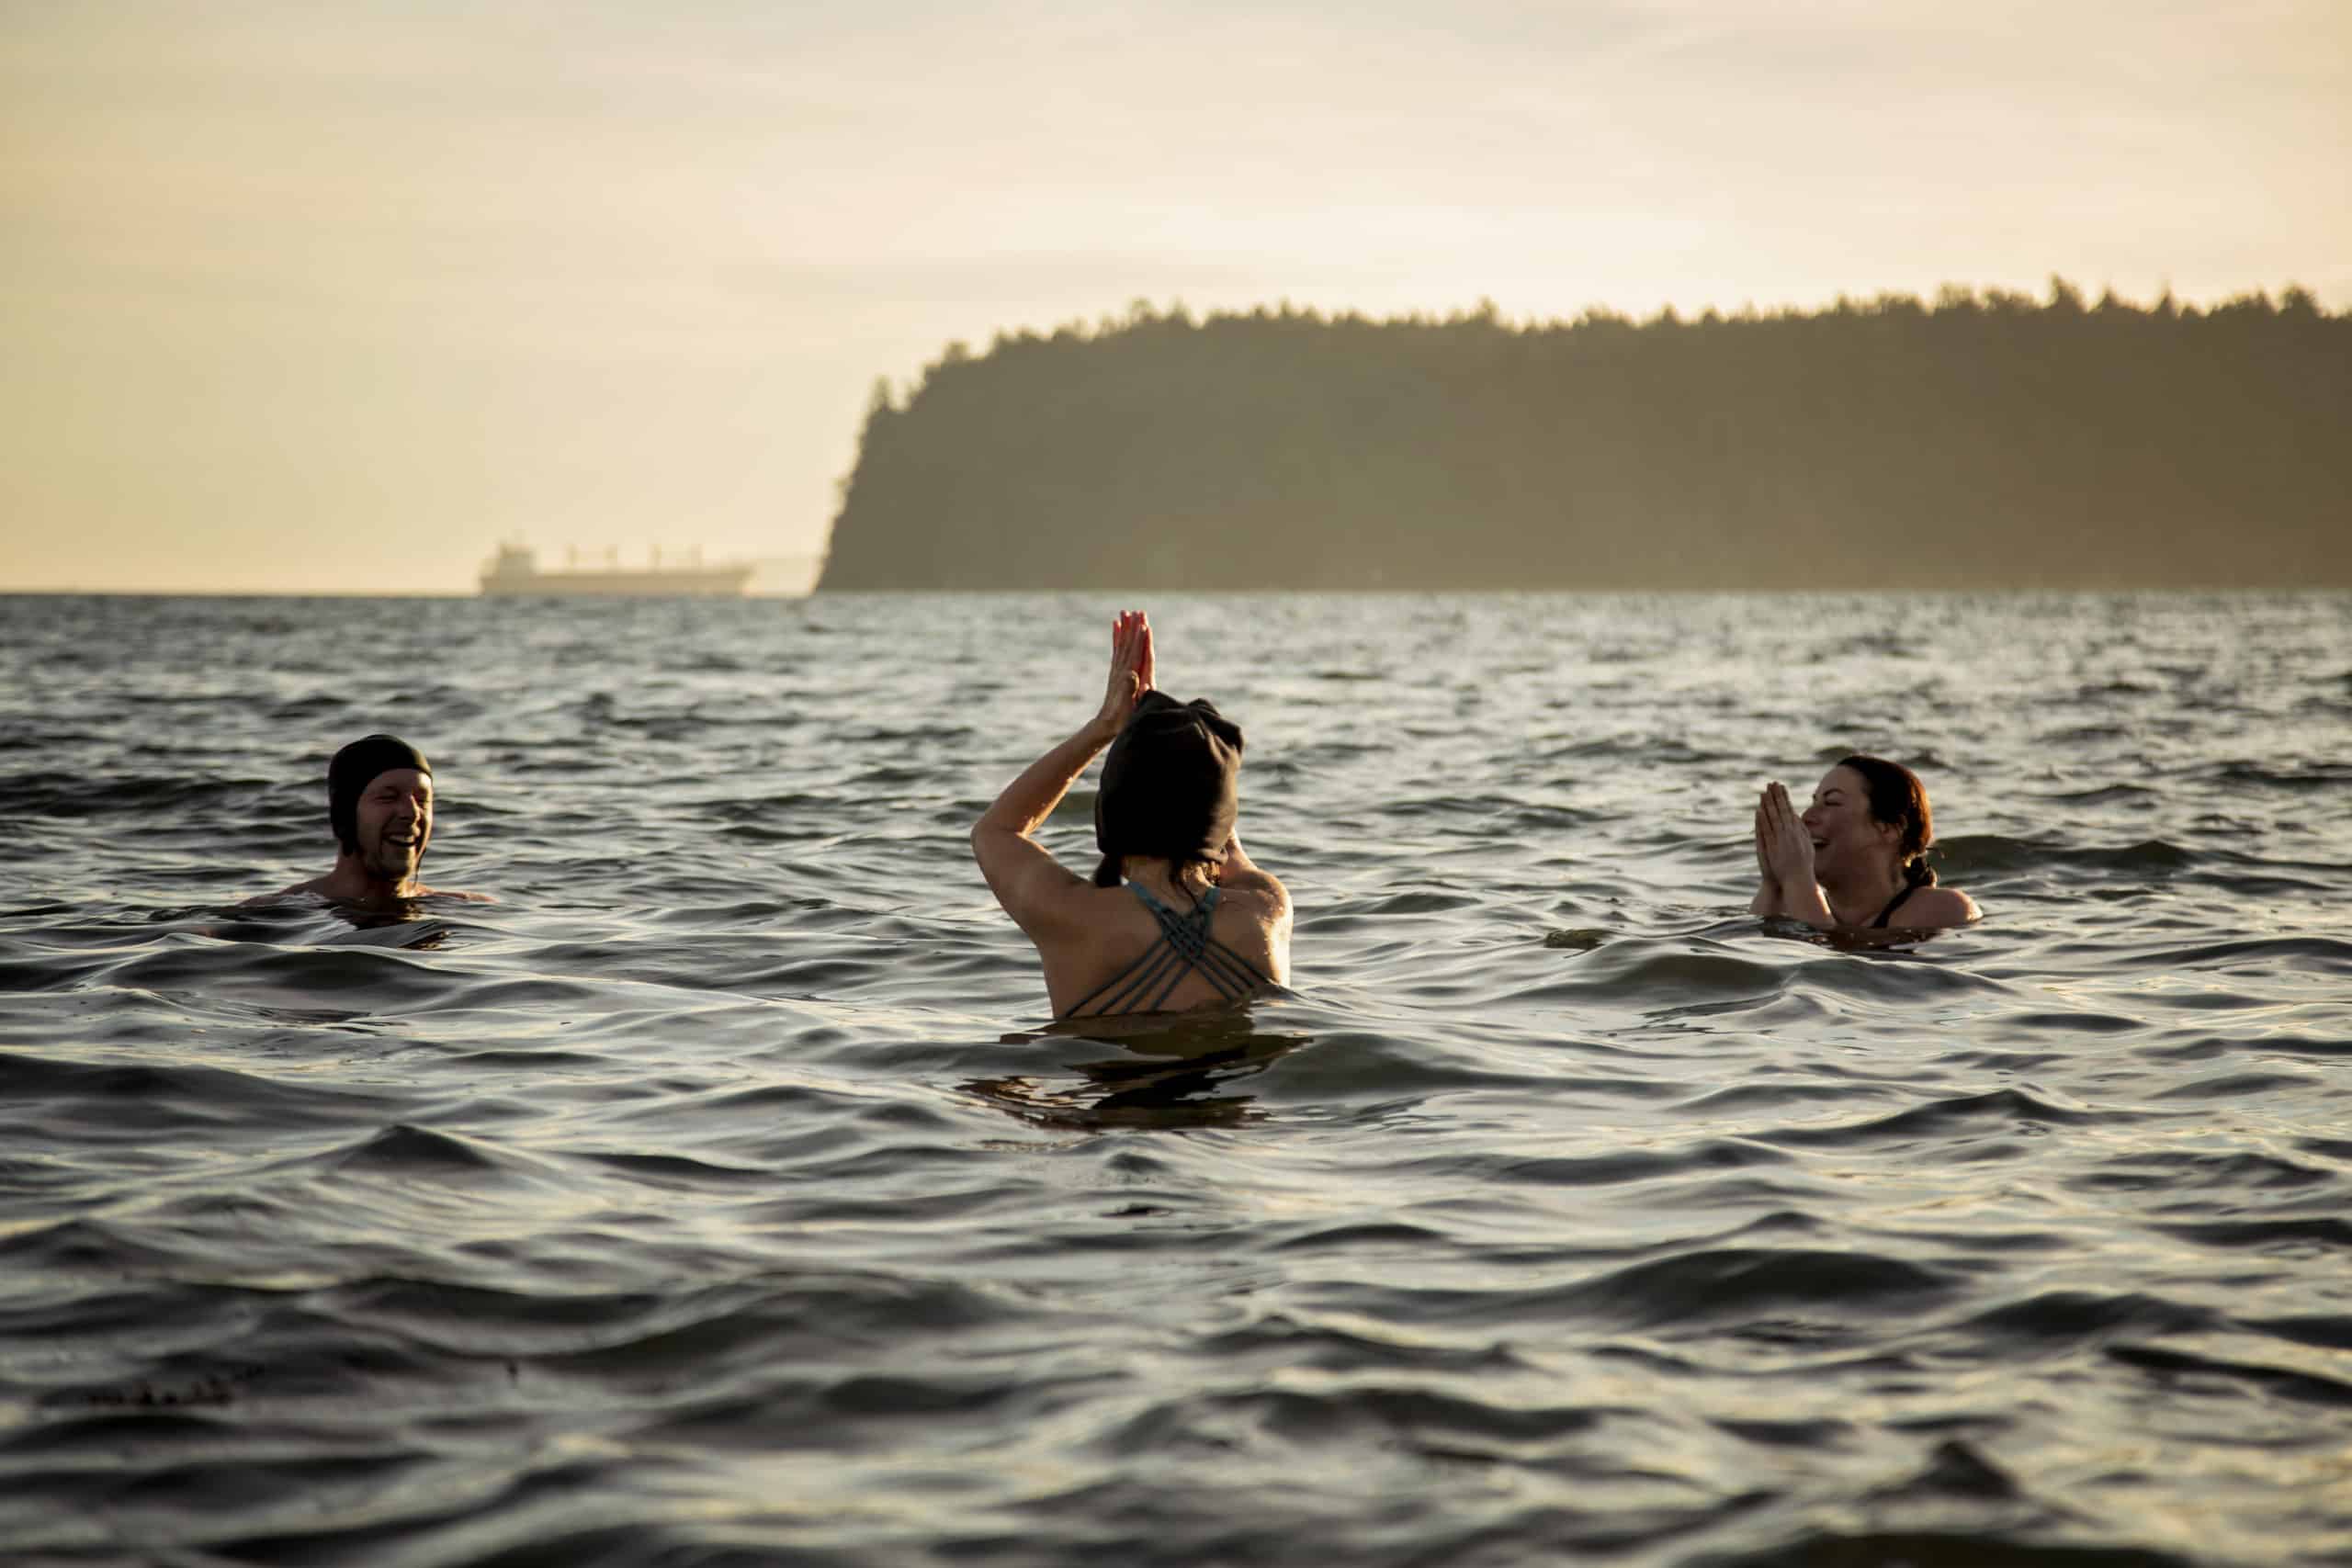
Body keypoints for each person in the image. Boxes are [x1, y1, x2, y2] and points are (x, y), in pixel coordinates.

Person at [973, 610, 1290, 1019]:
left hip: (1112, 1077)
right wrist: (1186, 744)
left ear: (1111, 818)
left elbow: (995, 831)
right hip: (1232, 1081)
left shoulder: (1073, 917)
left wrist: (1104, 726)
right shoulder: (1265, 912)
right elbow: (1216, 826)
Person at [1752, 754, 1978, 931]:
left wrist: (1797, 878)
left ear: (1890, 828)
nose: (1807, 817)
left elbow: (1824, 970)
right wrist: (1772, 883)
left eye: (1831, 803)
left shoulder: (1944, 908)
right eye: (1814, 802)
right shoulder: (1797, 905)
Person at [276, 734, 481, 908]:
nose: (411, 813)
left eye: (422, 800)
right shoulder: (276, 915)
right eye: (388, 798)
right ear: (345, 815)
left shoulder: (469, 910)